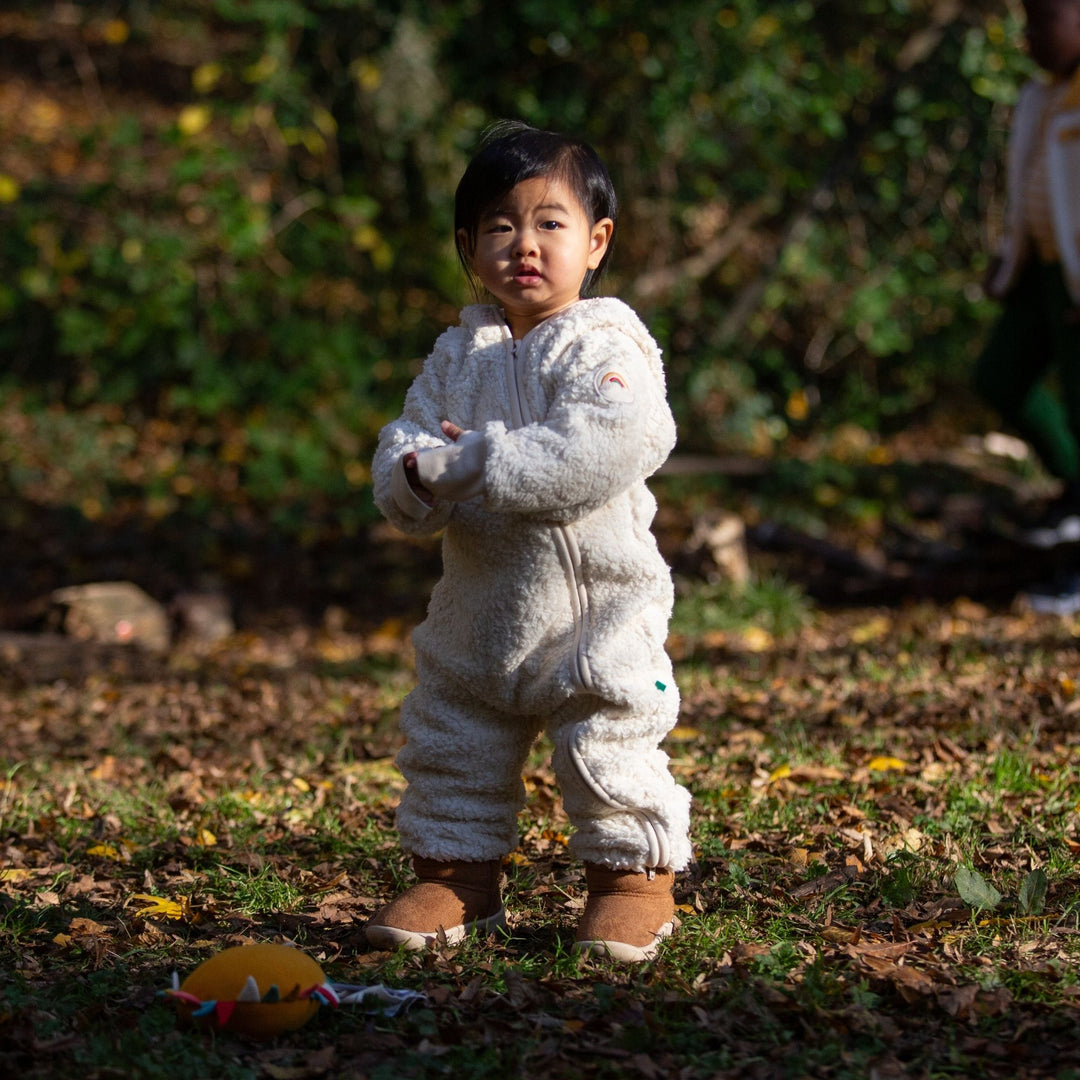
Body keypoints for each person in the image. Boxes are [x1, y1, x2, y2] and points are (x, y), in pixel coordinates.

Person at [367, 121, 692, 961]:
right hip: (480, 613)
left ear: (597, 242)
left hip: (597, 616)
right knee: (451, 741)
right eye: (500, 226)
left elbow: (613, 441)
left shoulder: (606, 343)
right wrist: (417, 474)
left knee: (607, 742)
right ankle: (456, 878)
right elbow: (402, 443)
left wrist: (488, 462)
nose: (526, 244)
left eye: (551, 223)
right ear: (470, 246)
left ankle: (630, 883)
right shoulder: (455, 356)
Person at [975, 0, 1080, 565]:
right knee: (1000, 376)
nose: (1028, 37)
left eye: (1042, 21)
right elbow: (1035, 188)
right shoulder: (1041, 96)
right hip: (1042, 273)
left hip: (1076, 282)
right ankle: (1073, 486)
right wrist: (1009, 256)